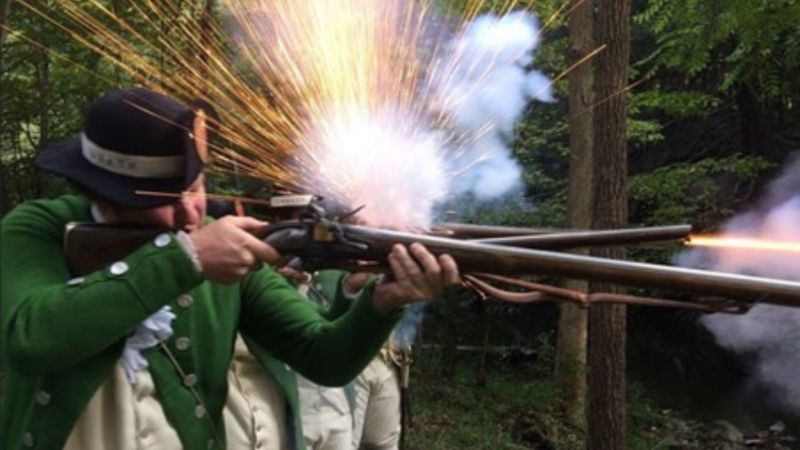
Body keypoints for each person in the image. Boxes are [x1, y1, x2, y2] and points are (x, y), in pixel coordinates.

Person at [0, 87, 460, 450]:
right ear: (104, 194)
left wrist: (384, 300)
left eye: (195, 188)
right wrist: (186, 260)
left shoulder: (224, 239)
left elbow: (325, 357)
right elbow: (30, 338)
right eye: (165, 201)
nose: (190, 215)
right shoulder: (39, 227)